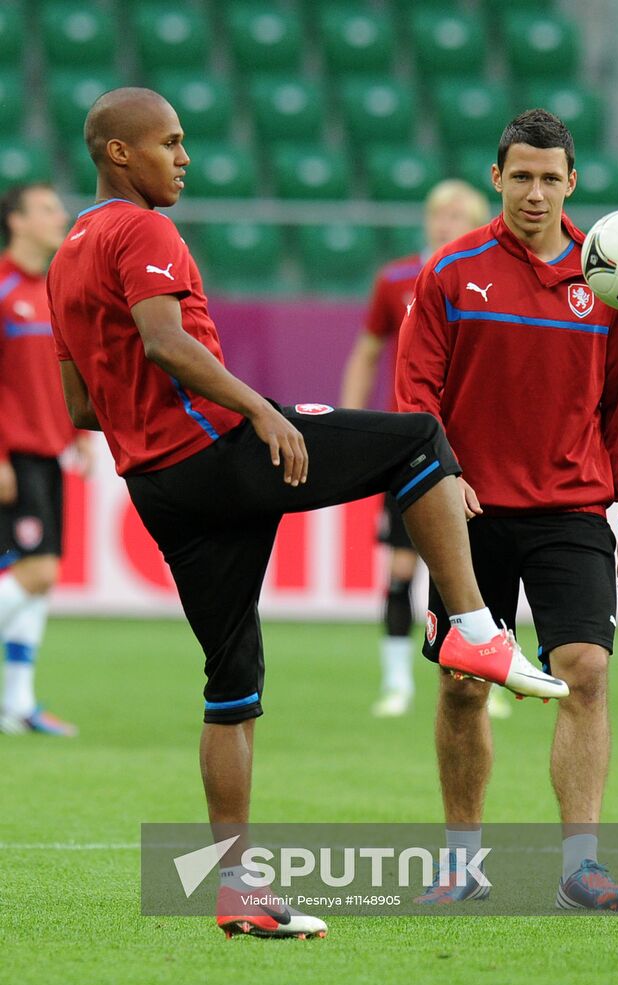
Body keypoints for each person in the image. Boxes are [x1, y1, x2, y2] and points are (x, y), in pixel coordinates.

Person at [47, 89, 568, 940]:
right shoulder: (138, 229)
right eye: (169, 143)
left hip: (154, 484)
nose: (184, 157)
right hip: (217, 454)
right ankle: (472, 624)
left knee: (231, 690)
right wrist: (257, 412)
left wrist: (157, 429)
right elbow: (165, 341)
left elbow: (78, 404)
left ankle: (237, 893)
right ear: (117, 154)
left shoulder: (64, 257)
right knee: (420, 439)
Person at [397, 108, 618, 911]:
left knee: (585, 672)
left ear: (571, 182)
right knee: (462, 689)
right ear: (495, 178)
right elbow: (413, 398)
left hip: (570, 509)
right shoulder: (449, 271)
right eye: (521, 176)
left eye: (550, 178)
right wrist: (443, 478)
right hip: (466, 511)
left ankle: (581, 867)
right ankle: (462, 866)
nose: (535, 192)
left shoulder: (608, 276)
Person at [341, 180, 510, 720]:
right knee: (400, 567)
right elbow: (367, 353)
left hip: (475, 443)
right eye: (439, 212)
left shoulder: (492, 276)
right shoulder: (395, 279)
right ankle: (396, 683)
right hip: (412, 443)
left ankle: (490, 674)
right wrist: (352, 419)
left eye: (458, 213)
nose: (445, 221)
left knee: (480, 563)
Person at [0, 183, 93, 736]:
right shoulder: (4, 287)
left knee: (34, 576)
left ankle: (18, 703)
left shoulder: (54, 289)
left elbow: (58, 368)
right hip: (15, 455)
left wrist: (75, 427)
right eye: (47, 209)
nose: (60, 215)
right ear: (16, 222)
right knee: (36, 571)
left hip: (48, 451)